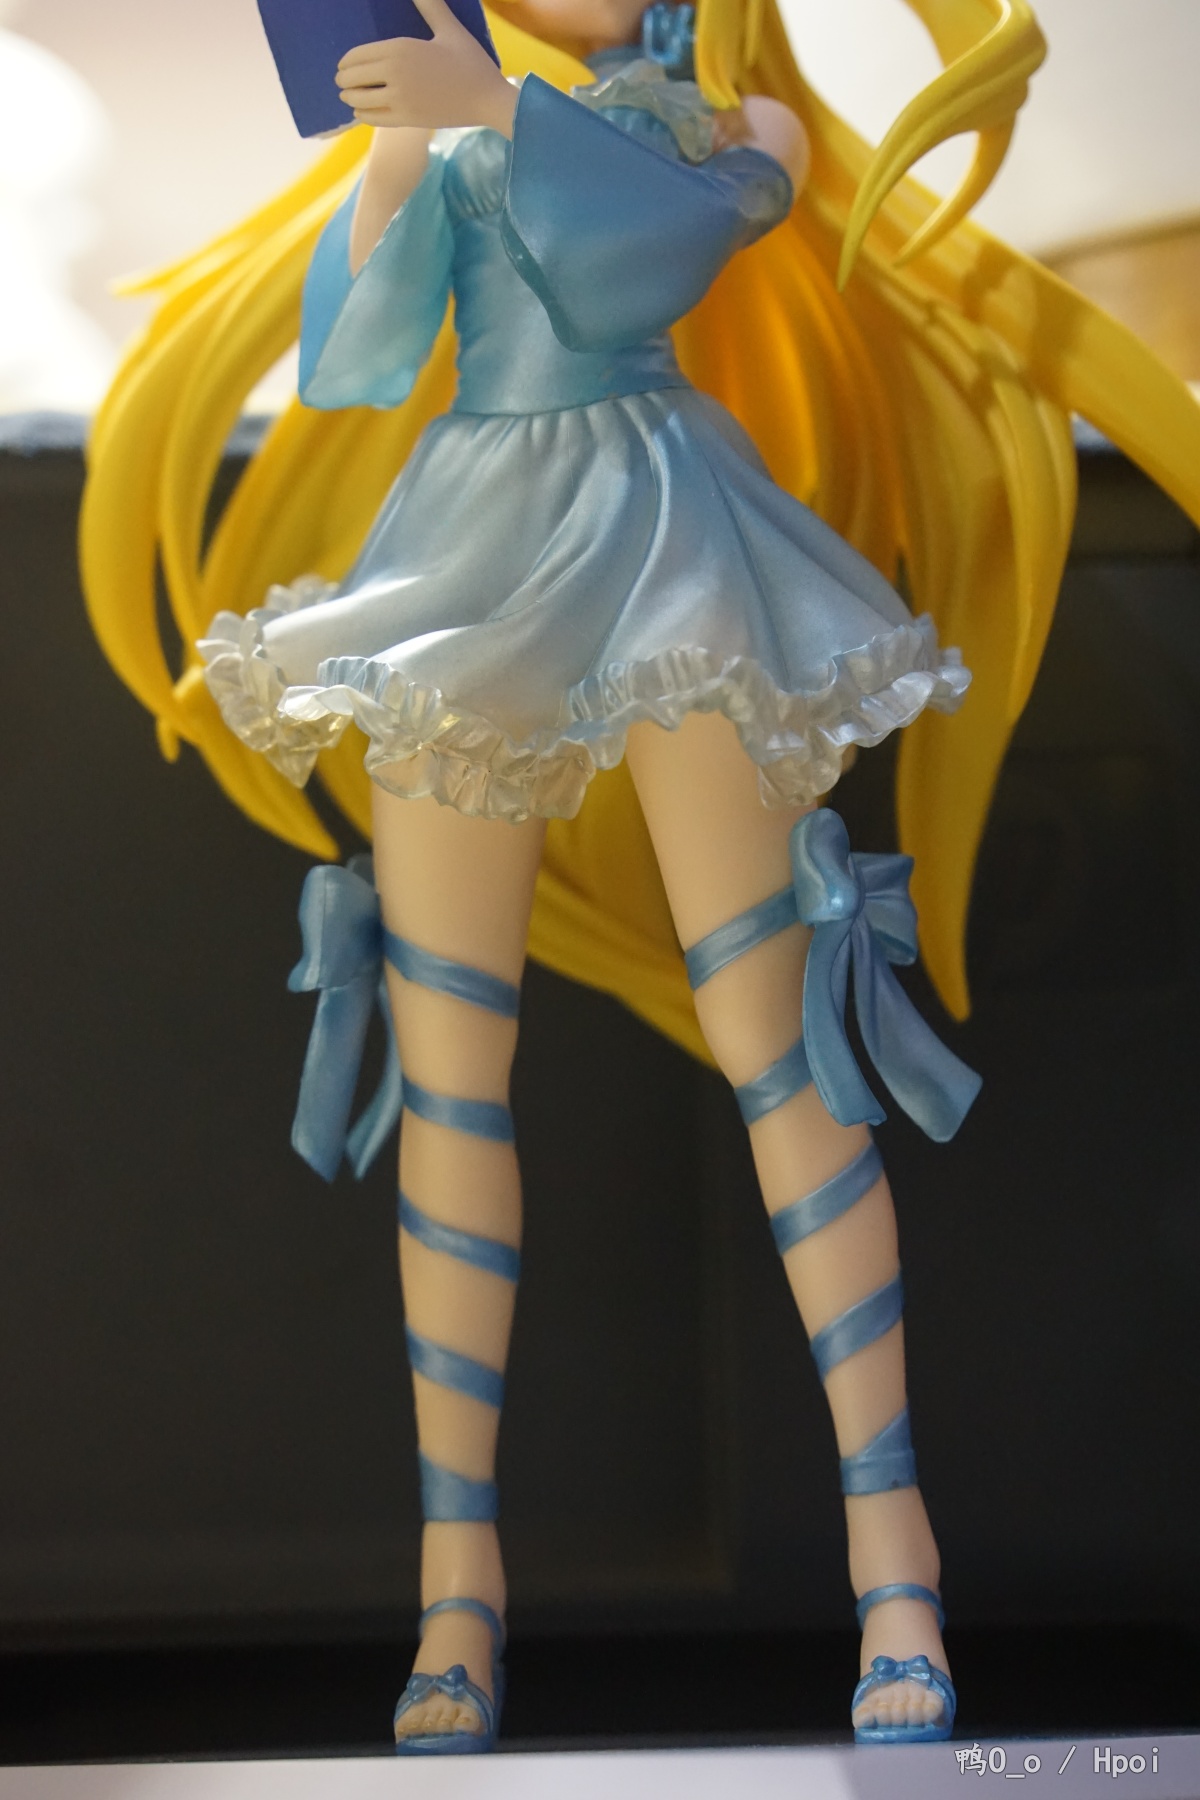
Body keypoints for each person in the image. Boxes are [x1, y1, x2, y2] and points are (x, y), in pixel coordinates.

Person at [79, 0, 1200, 1753]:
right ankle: (459, 1592)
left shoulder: (738, 130)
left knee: (784, 1047)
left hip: (680, 545)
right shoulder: (460, 114)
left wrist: (493, 113)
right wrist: (402, 151)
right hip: (469, 554)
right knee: (451, 1068)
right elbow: (362, 358)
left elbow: (637, 269)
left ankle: (894, 1566)